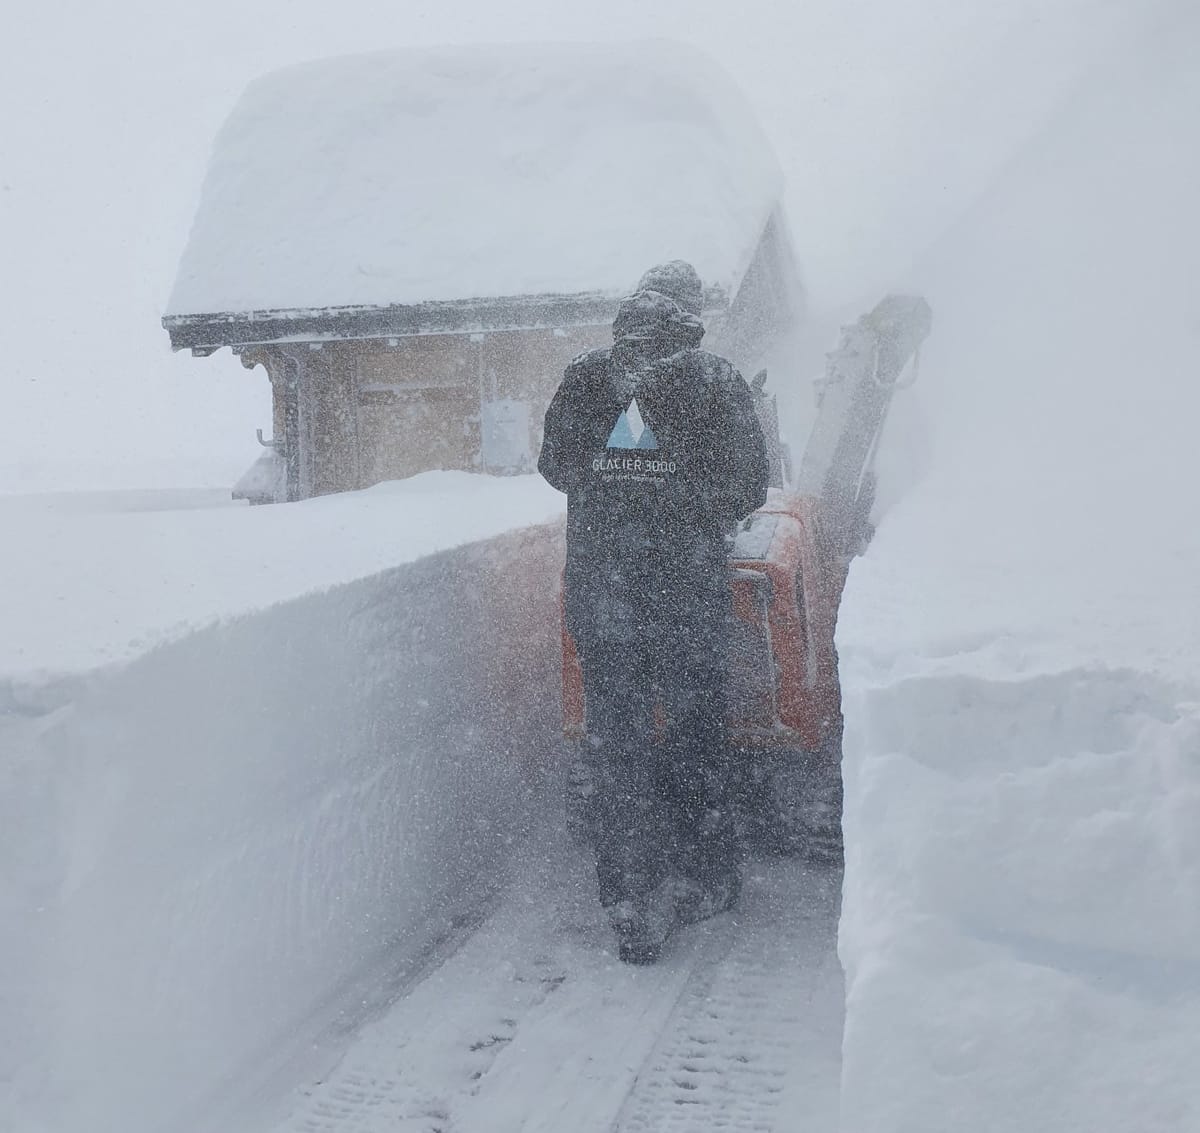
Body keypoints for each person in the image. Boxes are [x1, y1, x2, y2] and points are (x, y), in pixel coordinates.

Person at [538, 261, 769, 963]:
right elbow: (748, 485)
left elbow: (555, 467)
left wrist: (618, 479)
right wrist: (681, 498)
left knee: (618, 743)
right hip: (685, 597)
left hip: (603, 595)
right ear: (690, 312)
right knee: (698, 733)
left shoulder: (584, 376)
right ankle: (705, 876)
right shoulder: (717, 381)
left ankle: (629, 893)